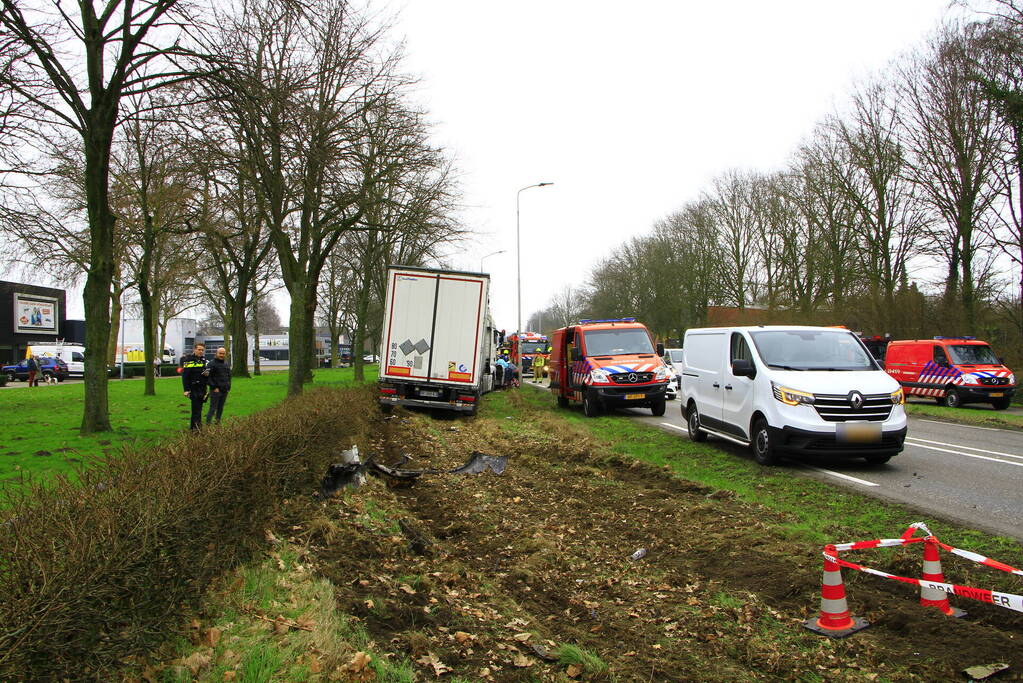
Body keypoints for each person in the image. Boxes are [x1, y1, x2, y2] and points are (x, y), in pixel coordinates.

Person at [181, 343, 209, 431]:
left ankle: (196, 427)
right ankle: (195, 429)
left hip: (202, 387)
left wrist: (207, 374)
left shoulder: (203, 360)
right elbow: (185, 376)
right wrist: (186, 390)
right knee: (196, 409)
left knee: (199, 409)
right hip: (194, 388)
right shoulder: (189, 360)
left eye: (202, 350)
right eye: (199, 349)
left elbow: (204, 372)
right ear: (194, 350)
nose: (201, 351)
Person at [205, 347, 231, 425]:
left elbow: (229, 375)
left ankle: (217, 423)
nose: (222, 355)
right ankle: (208, 423)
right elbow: (207, 377)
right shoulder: (211, 364)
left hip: (224, 389)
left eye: (223, 353)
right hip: (215, 390)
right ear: (216, 353)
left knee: (220, 408)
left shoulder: (226, 363)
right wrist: (214, 387)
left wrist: (229, 386)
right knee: (213, 408)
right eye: (220, 353)